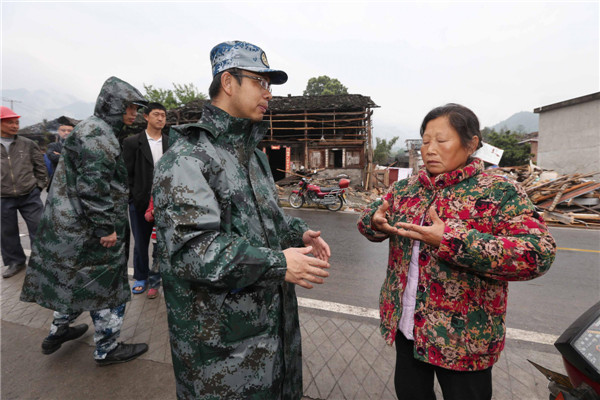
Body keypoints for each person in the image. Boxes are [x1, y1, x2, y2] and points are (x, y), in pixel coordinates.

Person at [152, 40, 331, 399]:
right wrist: (278, 262)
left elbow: (267, 220)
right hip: (222, 355)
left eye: (270, 85)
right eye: (260, 82)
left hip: (270, 337)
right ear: (228, 82)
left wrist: (298, 233)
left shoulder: (254, 157)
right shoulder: (188, 159)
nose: (268, 94)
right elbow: (194, 252)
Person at [357, 103, 557, 400]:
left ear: (471, 143)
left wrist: (451, 239)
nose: (430, 149)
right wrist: (374, 223)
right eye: (425, 141)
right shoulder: (406, 189)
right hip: (408, 328)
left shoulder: (498, 191)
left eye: (442, 140)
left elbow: (538, 253)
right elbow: (367, 220)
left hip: (464, 341)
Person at [20, 76, 149, 366]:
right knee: (105, 284)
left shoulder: (91, 128)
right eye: (130, 107)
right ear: (114, 105)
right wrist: (106, 228)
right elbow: (94, 187)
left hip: (71, 226)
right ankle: (107, 348)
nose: (134, 113)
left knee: (74, 278)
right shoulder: (99, 135)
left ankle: (59, 330)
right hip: (89, 228)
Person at [122, 102, 169, 299]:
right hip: (140, 202)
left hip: (165, 203)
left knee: (163, 244)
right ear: (146, 117)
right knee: (141, 242)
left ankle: (159, 277)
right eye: (156, 114)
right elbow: (127, 174)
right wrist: (133, 198)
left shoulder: (171, 142)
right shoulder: (133, 142)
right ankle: (141, 276)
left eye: (164, 116)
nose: (160, 118)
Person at [0, 106, 48, 278]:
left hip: (29, 194)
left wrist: (39, 186)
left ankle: (41, 262)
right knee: (7, 232)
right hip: (3, 197)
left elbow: (40, 166)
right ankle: (15, 262)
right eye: (10, 122)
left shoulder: (27, 144)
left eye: (16, 122)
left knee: (39, 227)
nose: (15, 126)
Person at [45, 118, 75, 187]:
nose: (66, 132)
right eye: (63, 130)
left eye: (69, 131)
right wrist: (71, 157)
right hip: (57, 183)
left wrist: (61, 155)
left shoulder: (78, 146)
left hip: (74, 182)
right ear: (58, 131)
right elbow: (52, 157)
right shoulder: (53, 146)